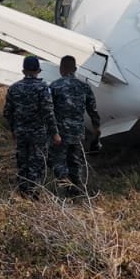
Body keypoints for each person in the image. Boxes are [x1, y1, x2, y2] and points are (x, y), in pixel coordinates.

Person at [3, 55, 60, 197]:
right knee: (37, 161)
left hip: (21, 131)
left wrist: (13, 128)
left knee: (23, 161)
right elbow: (48, 112)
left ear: (23, 71)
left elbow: (7, 112)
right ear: (38, 71)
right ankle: (34, 193)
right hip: (38, 133)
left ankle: (23, 191)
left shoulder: (14, 88)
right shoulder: (43, 88)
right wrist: (55, 133)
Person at [49, 55, 101, 192]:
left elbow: (48, 110)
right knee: (75, 160)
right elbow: (93, 110)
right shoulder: (84, 87)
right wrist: (97, 127)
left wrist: (50, 130)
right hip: (78, 131)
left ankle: (64, 185)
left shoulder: (54, 86)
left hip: (60, 131)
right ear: (75, 69)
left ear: (61, 69)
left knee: (59, 160)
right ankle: (77, 186)